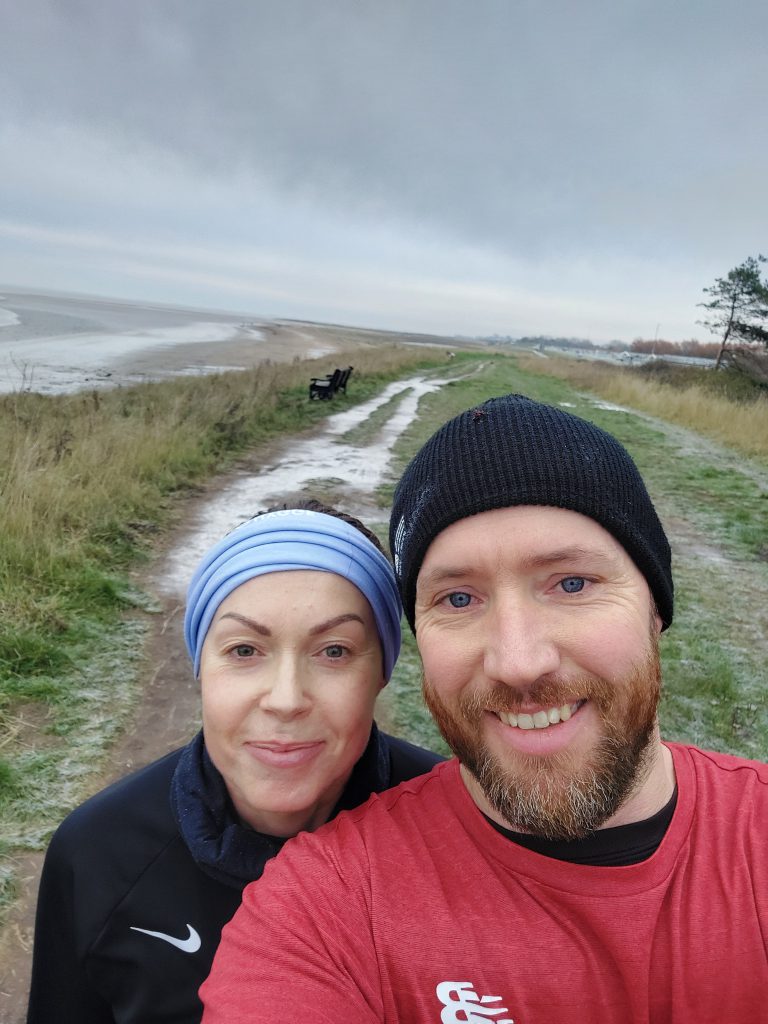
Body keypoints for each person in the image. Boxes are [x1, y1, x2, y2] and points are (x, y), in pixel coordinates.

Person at [201, 395, 768, 1023]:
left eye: (572, 584)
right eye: (459, 598)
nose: (519, 660)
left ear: (656, 607)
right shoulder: (324, 909)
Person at [26, 501, 443, 1024]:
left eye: (334, 651)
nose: (286, 699)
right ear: (203, 667)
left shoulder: (461, 834)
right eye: (245, 650)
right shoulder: (97, 853)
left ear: (381, 670)